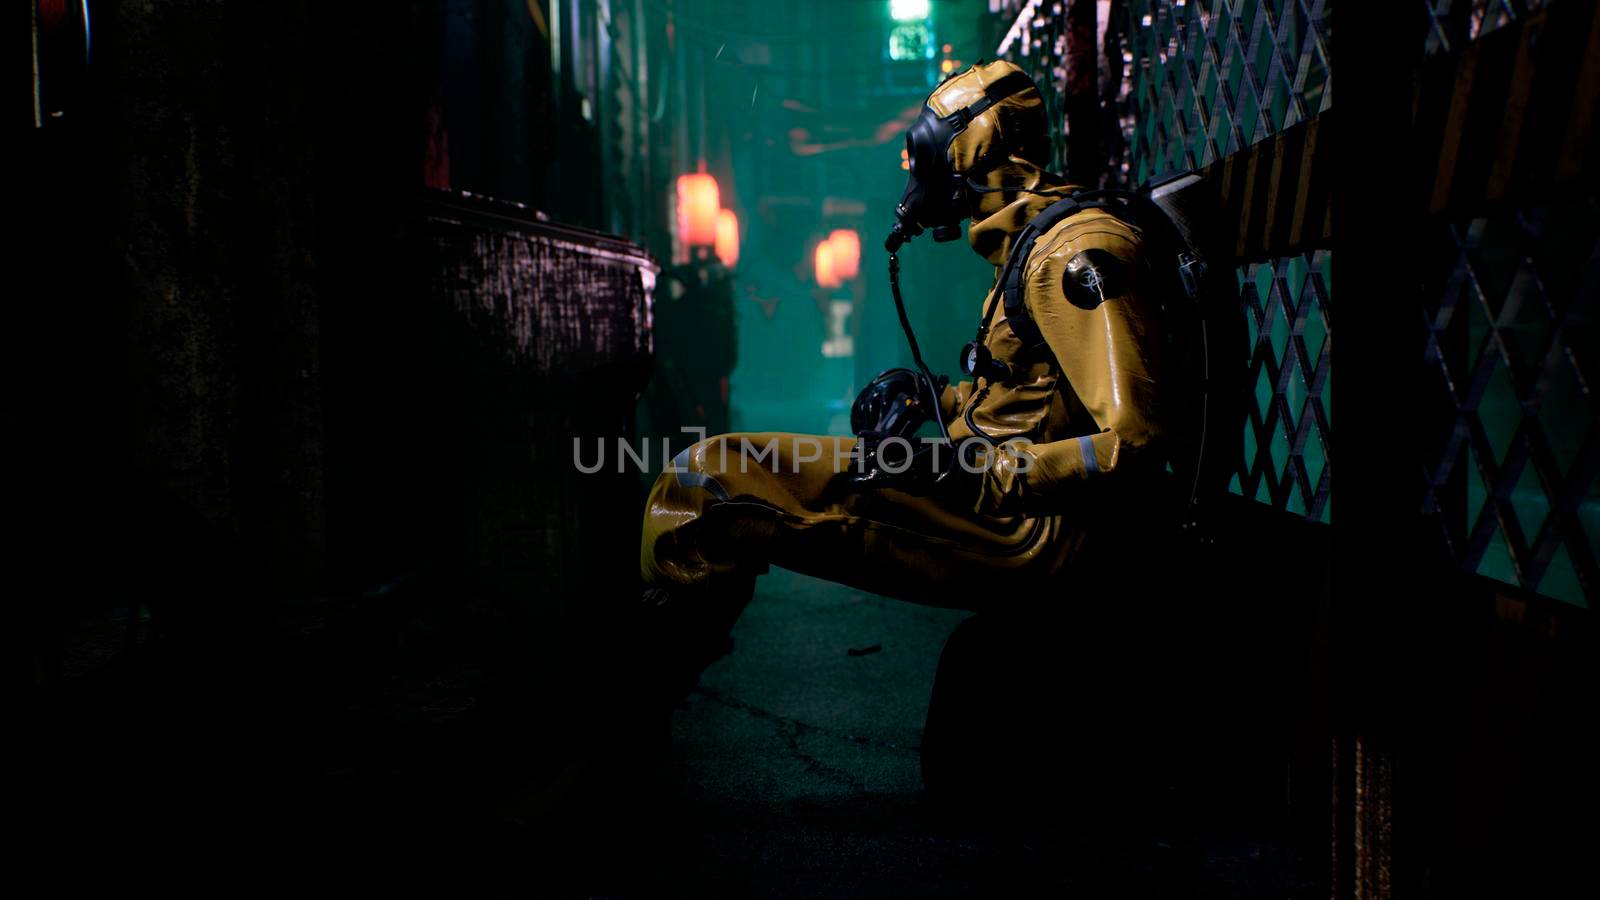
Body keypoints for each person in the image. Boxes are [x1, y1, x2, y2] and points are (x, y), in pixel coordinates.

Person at [634, 60, 1178, 697]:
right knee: (714, 475)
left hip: (1032, 528)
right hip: (1003, 500)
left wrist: (984, 474)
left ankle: (637, 709)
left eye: (929, 158)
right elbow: (1031, 406)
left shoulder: (1072, 254)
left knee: (709, 487)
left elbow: (1133, 444)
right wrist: (936, 398)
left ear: (975, 154)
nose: (921, 179)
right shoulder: (1034, 245)